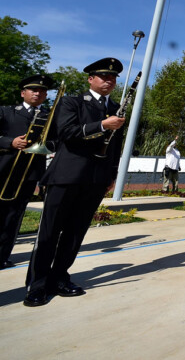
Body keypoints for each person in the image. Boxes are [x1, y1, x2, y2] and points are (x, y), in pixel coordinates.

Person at [24, 58, 126, 307]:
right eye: (103, 76)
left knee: (74, 233)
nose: (109, 80)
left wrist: (111, 175)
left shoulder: (116, 108)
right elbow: (67, 133)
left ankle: (59, 277)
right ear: (90, 79)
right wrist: (102, 125)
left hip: (95, 179)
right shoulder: (72, 101)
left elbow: (116, 148)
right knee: (49, 232)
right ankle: (36, 285)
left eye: (112, 78)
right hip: (67, 176)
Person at [0, 74, 56, 270]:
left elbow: (56, 141)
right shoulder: (7, 111)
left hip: (29, 173)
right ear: (23, 93)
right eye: (33, 90)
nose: (37, 93)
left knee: (14, 216)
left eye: (41, 91)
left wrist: (45, 144)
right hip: (4, 170)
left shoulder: (49, 116)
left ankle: (2, 255)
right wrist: (10, 142)